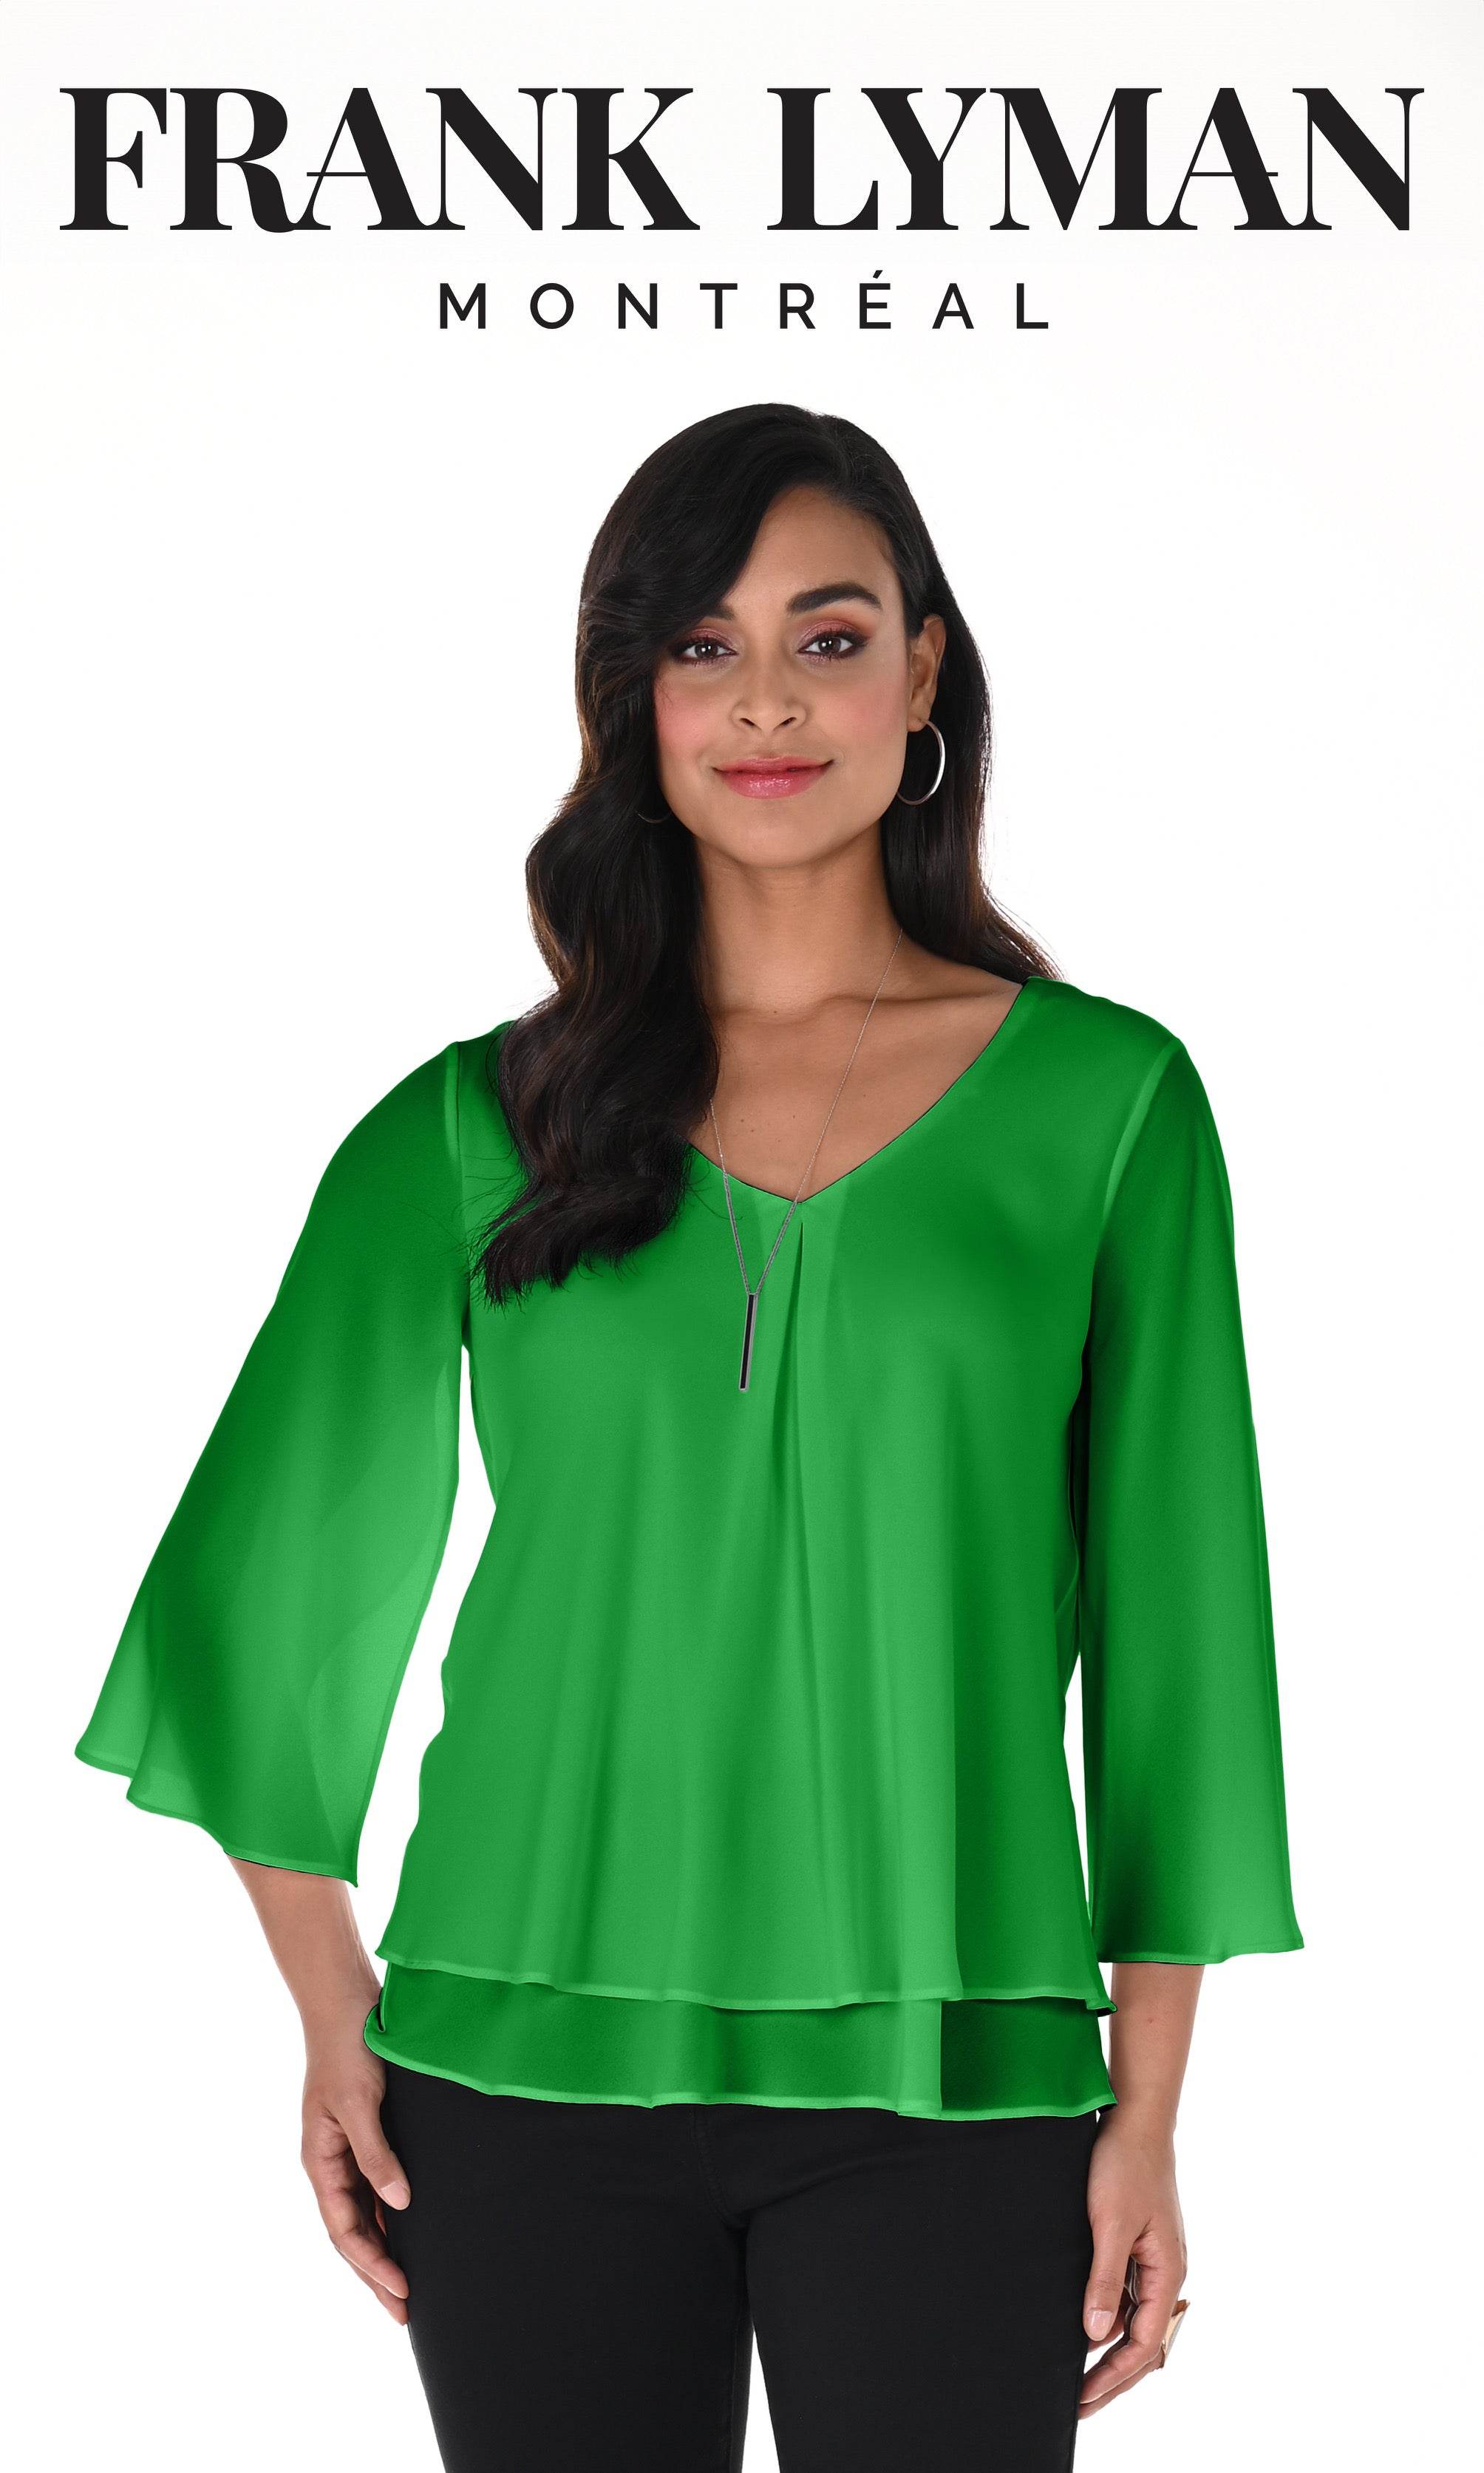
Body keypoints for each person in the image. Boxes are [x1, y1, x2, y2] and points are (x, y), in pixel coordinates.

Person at [75, 401, 1303, 2472]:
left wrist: (1155, 2108)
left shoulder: (1110, 1108)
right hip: (513, 2070)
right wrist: (333, 2002)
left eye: (829, 638)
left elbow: (1188, 1639)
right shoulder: (476, 1125)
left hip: (961, 2074)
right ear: (631, 697)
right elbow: (250, 1600)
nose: (766, 703)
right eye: (701, 646)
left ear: (925, 669)